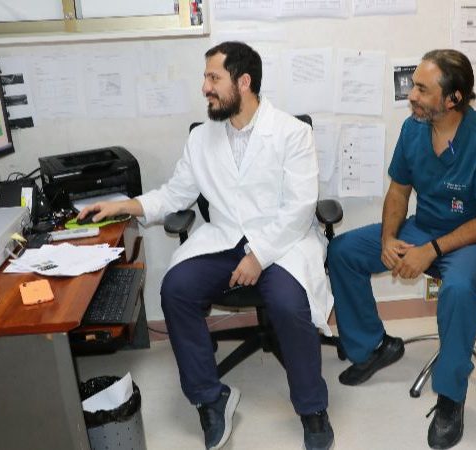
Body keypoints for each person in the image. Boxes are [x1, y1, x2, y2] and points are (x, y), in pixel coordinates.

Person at [77, 42, 334, 450]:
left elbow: (300, 208)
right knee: (176, 289)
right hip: (225, 239)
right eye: (206, 77)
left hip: (282, 244)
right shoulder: (202, 138)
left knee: (288, 303)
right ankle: (211, 399)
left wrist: (258, 256)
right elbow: (175, 194)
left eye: (214, 78)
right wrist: (125, 205)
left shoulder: (292, 133)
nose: (205, 88)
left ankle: (312, 408)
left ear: (243, 82)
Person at [327, 49, 476, 449]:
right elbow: (399, 190)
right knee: (343, 251)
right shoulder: (414, 128)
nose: (411, 95)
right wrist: (388, 239)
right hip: (425, 227)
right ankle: (374, 347)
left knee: (458, 290)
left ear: (453, 98)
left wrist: (432, 249)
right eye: (413, 86)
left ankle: (450, 395)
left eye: (422, 89)